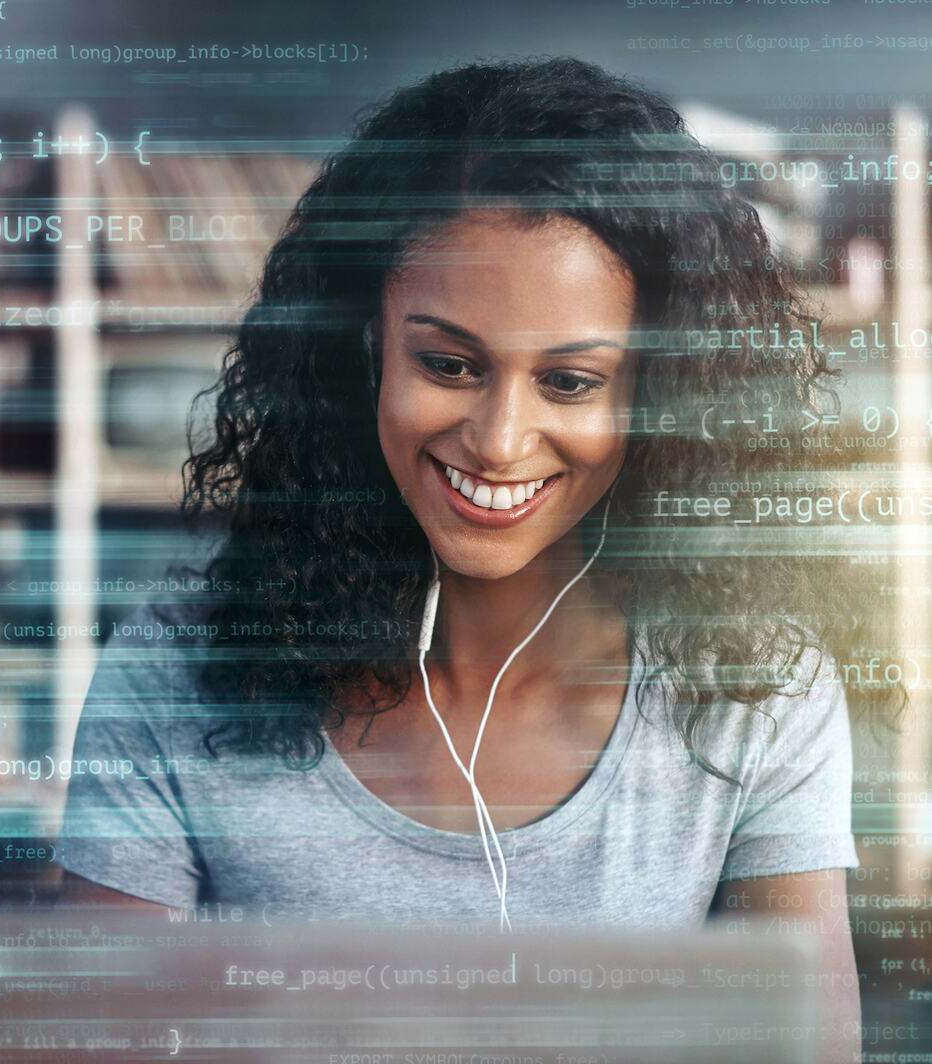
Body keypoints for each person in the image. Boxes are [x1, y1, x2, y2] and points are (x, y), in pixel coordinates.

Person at [55, 57, 903, 1059]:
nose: (499, 440)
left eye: (573, 382)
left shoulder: (755, 692)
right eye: (449, 365)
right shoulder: (171, 683)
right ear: (365, 344)